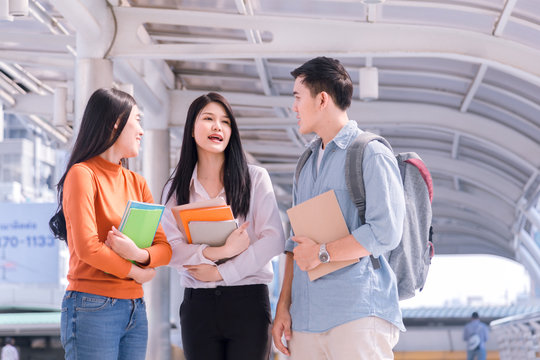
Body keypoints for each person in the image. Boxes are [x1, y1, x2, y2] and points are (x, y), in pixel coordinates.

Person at [271, 56, 406, 360]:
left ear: (321, 99)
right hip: (305, 320)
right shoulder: (305, 164)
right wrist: (283, 307)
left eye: (297, 97)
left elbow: (385, 232)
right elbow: (295, 245)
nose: (293, 107)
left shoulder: (370, 153)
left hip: (357, 314)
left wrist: (323, 252)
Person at [49, 88, 172, 360]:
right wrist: (136, 272)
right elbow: (87, 248)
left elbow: (164, 248)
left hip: (135, 309)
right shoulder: (82, 174)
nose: (141, 130)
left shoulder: (137, 182)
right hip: (92, 305)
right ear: (116, 122)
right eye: (137, 120)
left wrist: (138, 255)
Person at [161, 92, 285, 360]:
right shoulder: (175, 189)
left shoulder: (255, 178)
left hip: (248, 302)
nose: (218, 126)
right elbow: (168, 248)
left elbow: (274, 239)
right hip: (198, 305)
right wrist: (214, 253)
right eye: (208, 119)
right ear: (192, 130)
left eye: (225, 121)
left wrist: (222, 273)